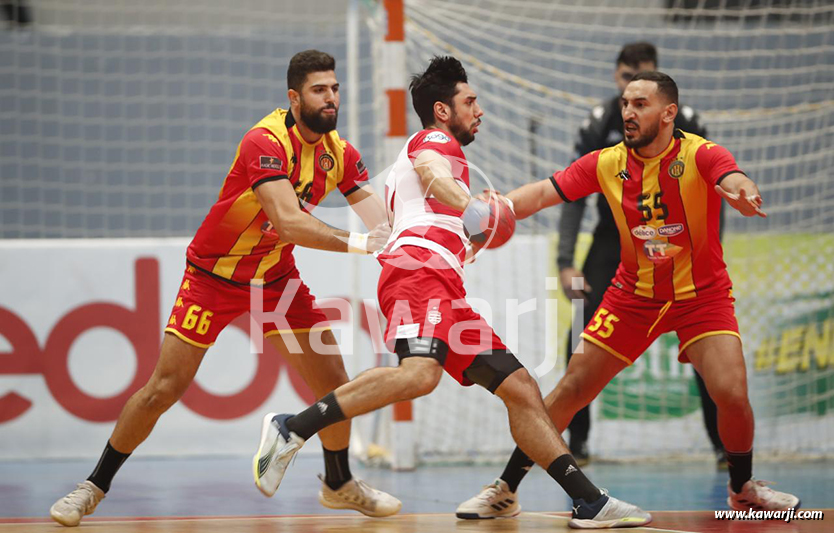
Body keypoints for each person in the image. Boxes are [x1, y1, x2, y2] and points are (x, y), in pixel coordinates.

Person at [252, 56, 652, 529]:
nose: (478, 110)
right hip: (419, 273)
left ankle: (589, 502)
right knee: (421, 375)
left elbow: (429, 198)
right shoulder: (433, 141)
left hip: (440, 282)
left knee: (521, 388)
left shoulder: (448, 157)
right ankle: (291, 428)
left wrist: (473, 227)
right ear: (443, 111)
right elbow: (430, 171)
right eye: (470, 101)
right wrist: (473, 208)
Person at [49, 50, 401, 527]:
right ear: (295, 98)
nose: (331, 98)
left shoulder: (339, 154)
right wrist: (363, 245)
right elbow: (289, 222)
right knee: (163, 388)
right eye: (320, 90)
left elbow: (383, 221)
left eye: (335, 89)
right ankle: (92, 487)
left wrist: (432, 238)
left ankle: (338, 484)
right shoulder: (264, 141)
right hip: (213, 277)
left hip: (276, 281)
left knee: (334, 385)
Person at [457, 71, 800, 519]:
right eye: (625, 104)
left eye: (640, 104)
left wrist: (742, 192)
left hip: (701, 296)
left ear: (668, 113)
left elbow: (731, 176)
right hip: (632, 296)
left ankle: (742, 488)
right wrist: (495, 207)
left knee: (732, 393)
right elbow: (545, 192)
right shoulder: (605, 162)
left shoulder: (701, 154)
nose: (628, 113)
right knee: (571, 389)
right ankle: (505, 489)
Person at [559, 41, 724, 466]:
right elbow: (570, 194)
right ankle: (576, 445)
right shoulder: (601, 123)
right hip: (613, 241)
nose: (630, 105)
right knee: (577, 331)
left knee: (707, 346)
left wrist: (707, 252)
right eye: (624, 86)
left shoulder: (685, 123)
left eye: (641, 85)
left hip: (675, 244)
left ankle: (724, 448)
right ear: (616, 80)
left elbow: (714, 188)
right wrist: (565, 261)